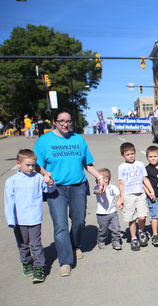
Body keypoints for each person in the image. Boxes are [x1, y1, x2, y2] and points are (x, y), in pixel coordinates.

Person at [34, 108, 105, 277]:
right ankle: (65, 261)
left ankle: (75, 245)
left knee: (79, 221)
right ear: (54, 122)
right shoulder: (44, 141)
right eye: (61, 121)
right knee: (60, 225)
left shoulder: (78, 139)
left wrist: (99, 176)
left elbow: (87, 163)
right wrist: (45, 174)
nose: (65, 124)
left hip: (78, 186)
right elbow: (37, 164)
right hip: (55, 188)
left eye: (68, 121)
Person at [4, 149, 56, 283]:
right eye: (27, 165)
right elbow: (8, 202)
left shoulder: (38, 177)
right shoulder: (12, 181)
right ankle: (26, 262)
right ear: (18, 164)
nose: (31, 168)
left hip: (34, 218)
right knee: (22, 244)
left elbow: (49, 190)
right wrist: (11, 219)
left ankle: (39, 267)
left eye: (33, 165)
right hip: (19, 219)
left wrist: (50, 182)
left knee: (36, 244)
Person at [117, 142, 155, 251]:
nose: (131, 156)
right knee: (132, 218)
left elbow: (145, 179)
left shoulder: (140, 164)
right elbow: (121, 183)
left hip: (140, 194)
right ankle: (133, 238)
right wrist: (121, 198)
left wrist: (151, 191)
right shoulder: (121, 167)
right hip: (128, 196)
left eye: (132, 154)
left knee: (142, 216)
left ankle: (141, 231)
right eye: (128, 154)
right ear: (123, 155)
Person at [93, 168, 122, 250]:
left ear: (106, 179)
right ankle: (101, 240)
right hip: (101, 214)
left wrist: (120, 202)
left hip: (113, 212)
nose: (96, 181)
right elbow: (95, 192)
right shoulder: (97, 188)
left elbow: (119, 195)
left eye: (98, 179)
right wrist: (100, 190)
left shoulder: (113, 187)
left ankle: (116, 241)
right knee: (103, 230)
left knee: (116, 227)